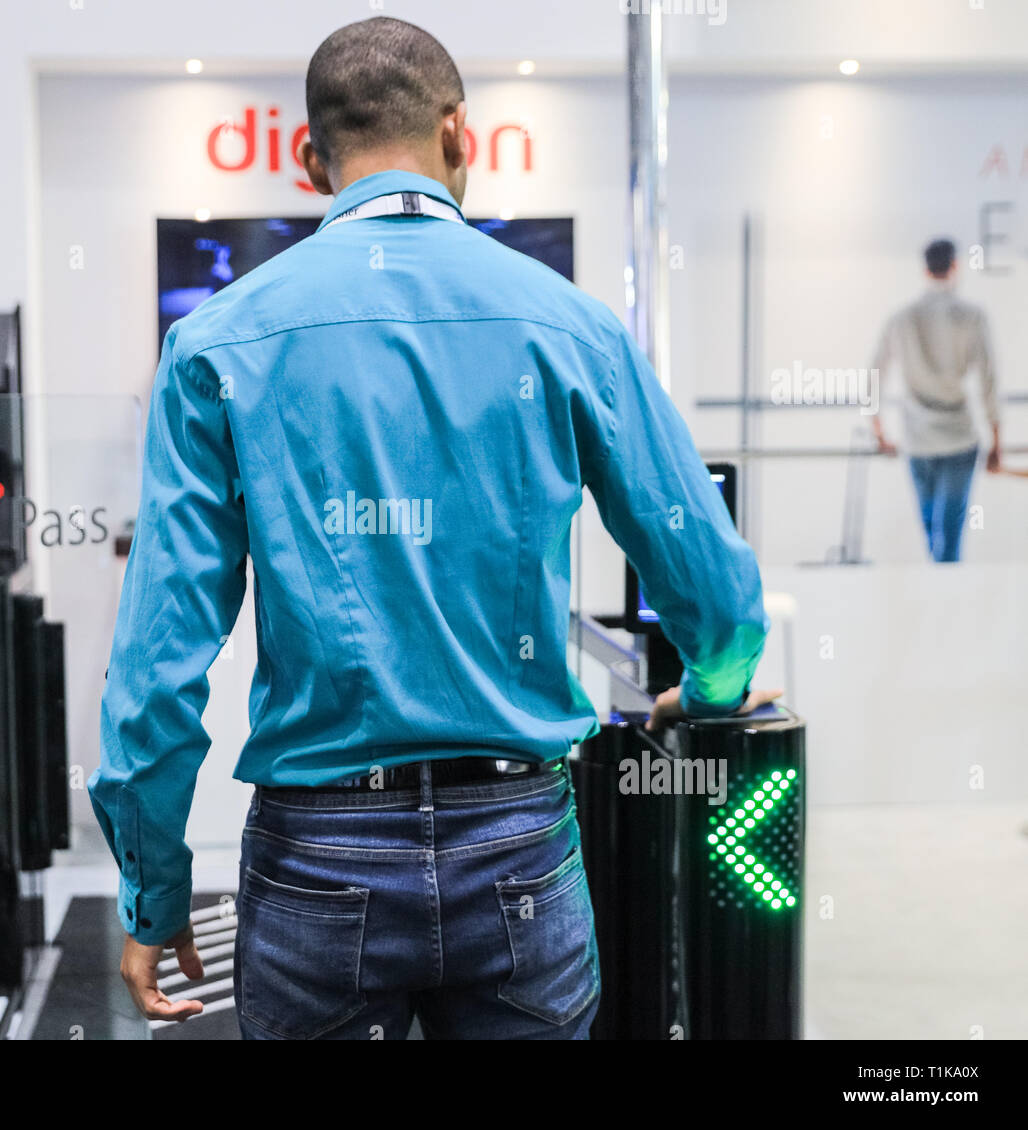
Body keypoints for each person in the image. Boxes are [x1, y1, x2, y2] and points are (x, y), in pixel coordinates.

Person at [91, 16, 773, 1041]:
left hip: (314, 857)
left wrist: (154, 885)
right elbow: (714, 593)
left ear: (306, 162)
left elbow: (158, 661)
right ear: (464, 135)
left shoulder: (215, 344)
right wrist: (710, 696)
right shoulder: (570, 326)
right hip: (518, 847)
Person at [871, 238, 1001, 562]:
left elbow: (873, 375)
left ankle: (940, 603)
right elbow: (988, 379)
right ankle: (947, 605)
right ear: (955, 266)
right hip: (958, 438)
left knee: (932, 531)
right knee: (949, 535)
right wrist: (996, 439)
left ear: (924, 268)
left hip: (917, 439)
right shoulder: (971, 316)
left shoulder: (902, 318)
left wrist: (879, 431)